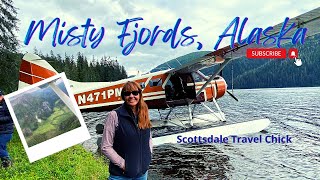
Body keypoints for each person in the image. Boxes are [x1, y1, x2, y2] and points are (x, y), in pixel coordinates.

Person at [101, 81, 152, 180]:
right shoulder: (114, 115)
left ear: (140, 94)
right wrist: (124, 165)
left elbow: (149, 138)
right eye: (127, 93)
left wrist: (148, 156)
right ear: (123, 96)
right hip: (121, 175)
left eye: (135, 93)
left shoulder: (144, 112)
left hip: (142, 173)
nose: (131, 96)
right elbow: (105, 147)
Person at [0, 89, 13, 168]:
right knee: (2, 148)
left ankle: (8, 163)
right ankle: (5, 166)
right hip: (1, 130)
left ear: (1, 96)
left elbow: (11, 117)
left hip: (6, 131)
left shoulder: (7, 104)